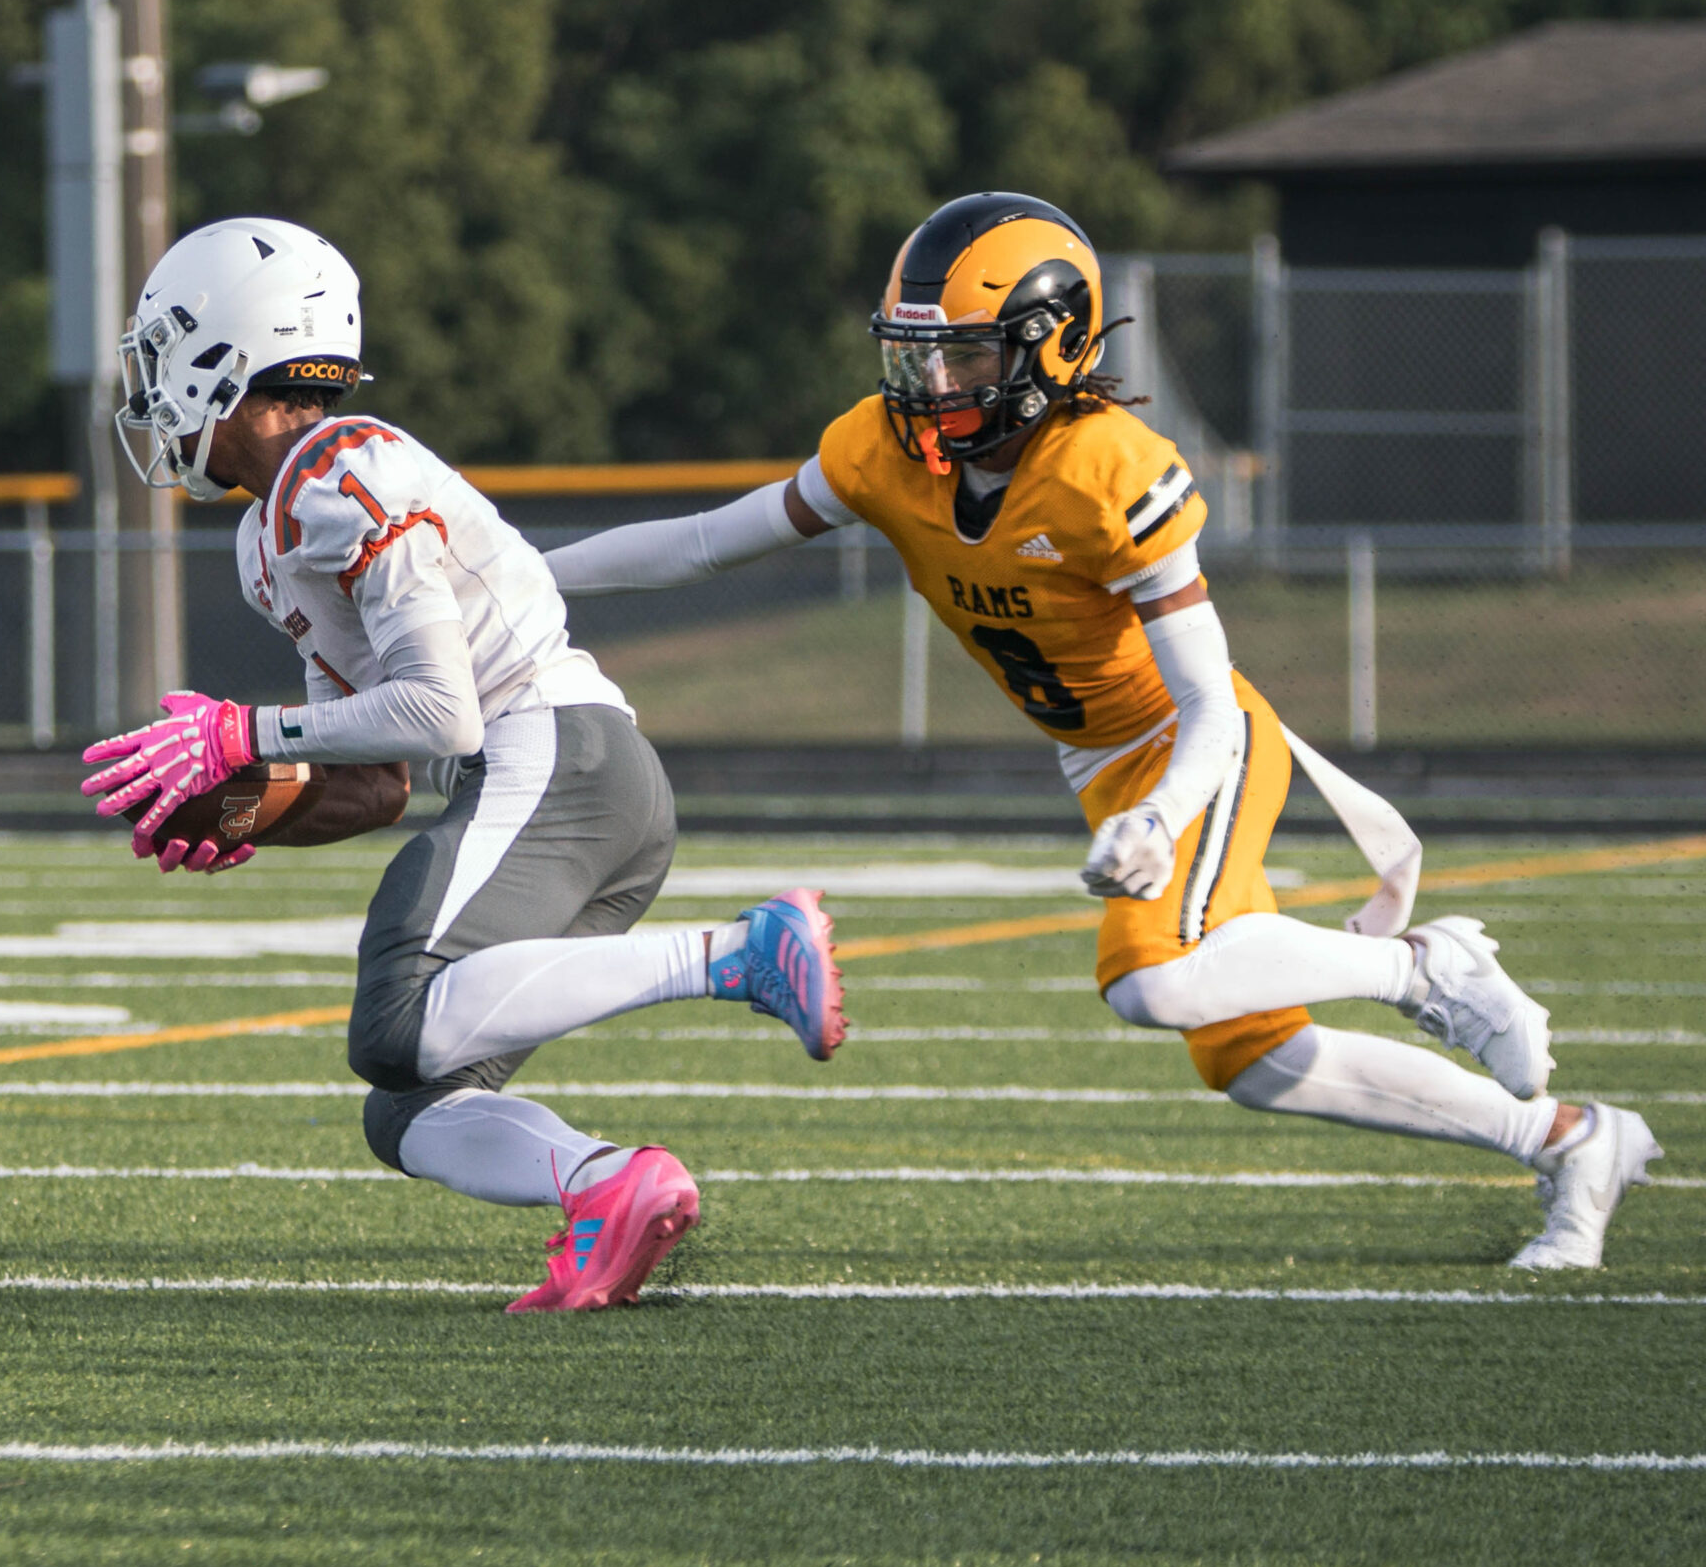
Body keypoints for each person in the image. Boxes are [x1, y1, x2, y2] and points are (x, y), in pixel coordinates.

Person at [542, 190, 1657, 1273]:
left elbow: (1211, 701)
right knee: (1256, 1059)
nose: (932, 386)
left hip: (1194, 743)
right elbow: (701, 543)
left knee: (1151, 982)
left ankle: (1418, 966)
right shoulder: (880, 450)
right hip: (1104, 762)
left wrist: (1162, 813)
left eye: (966, 357)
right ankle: (1570, 1140)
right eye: (918, 356)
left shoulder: (1104, 469)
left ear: (1050, 345)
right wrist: (522, 576)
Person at [80, 215, 845, 1312]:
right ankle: (608, 1183)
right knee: (407, 1101)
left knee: (393, 1021)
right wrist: (252, 811)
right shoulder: (272, 532)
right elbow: (376, 779)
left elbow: (441, 714)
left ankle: (740, 953)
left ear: (227, 354)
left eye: (163, 356)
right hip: (573, 787)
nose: (153, 392)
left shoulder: (341, 474)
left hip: (558, 761)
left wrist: (240, 736)